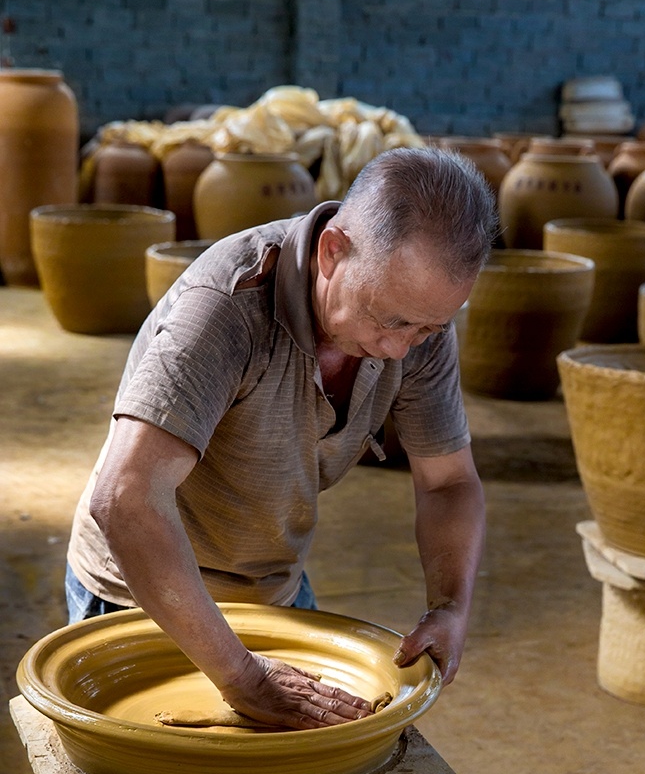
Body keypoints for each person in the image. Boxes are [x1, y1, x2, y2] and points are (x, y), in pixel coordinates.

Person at [65, 147, 497, 731]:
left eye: (427, 329)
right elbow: (126, 499)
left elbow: (448, 483)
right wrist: (242, 675)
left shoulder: (418, 316)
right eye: (389, 321)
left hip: (273, 583)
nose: (401, 349)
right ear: (332, 251)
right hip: (144, 594)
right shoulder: (225, 308)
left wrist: (451, 607)